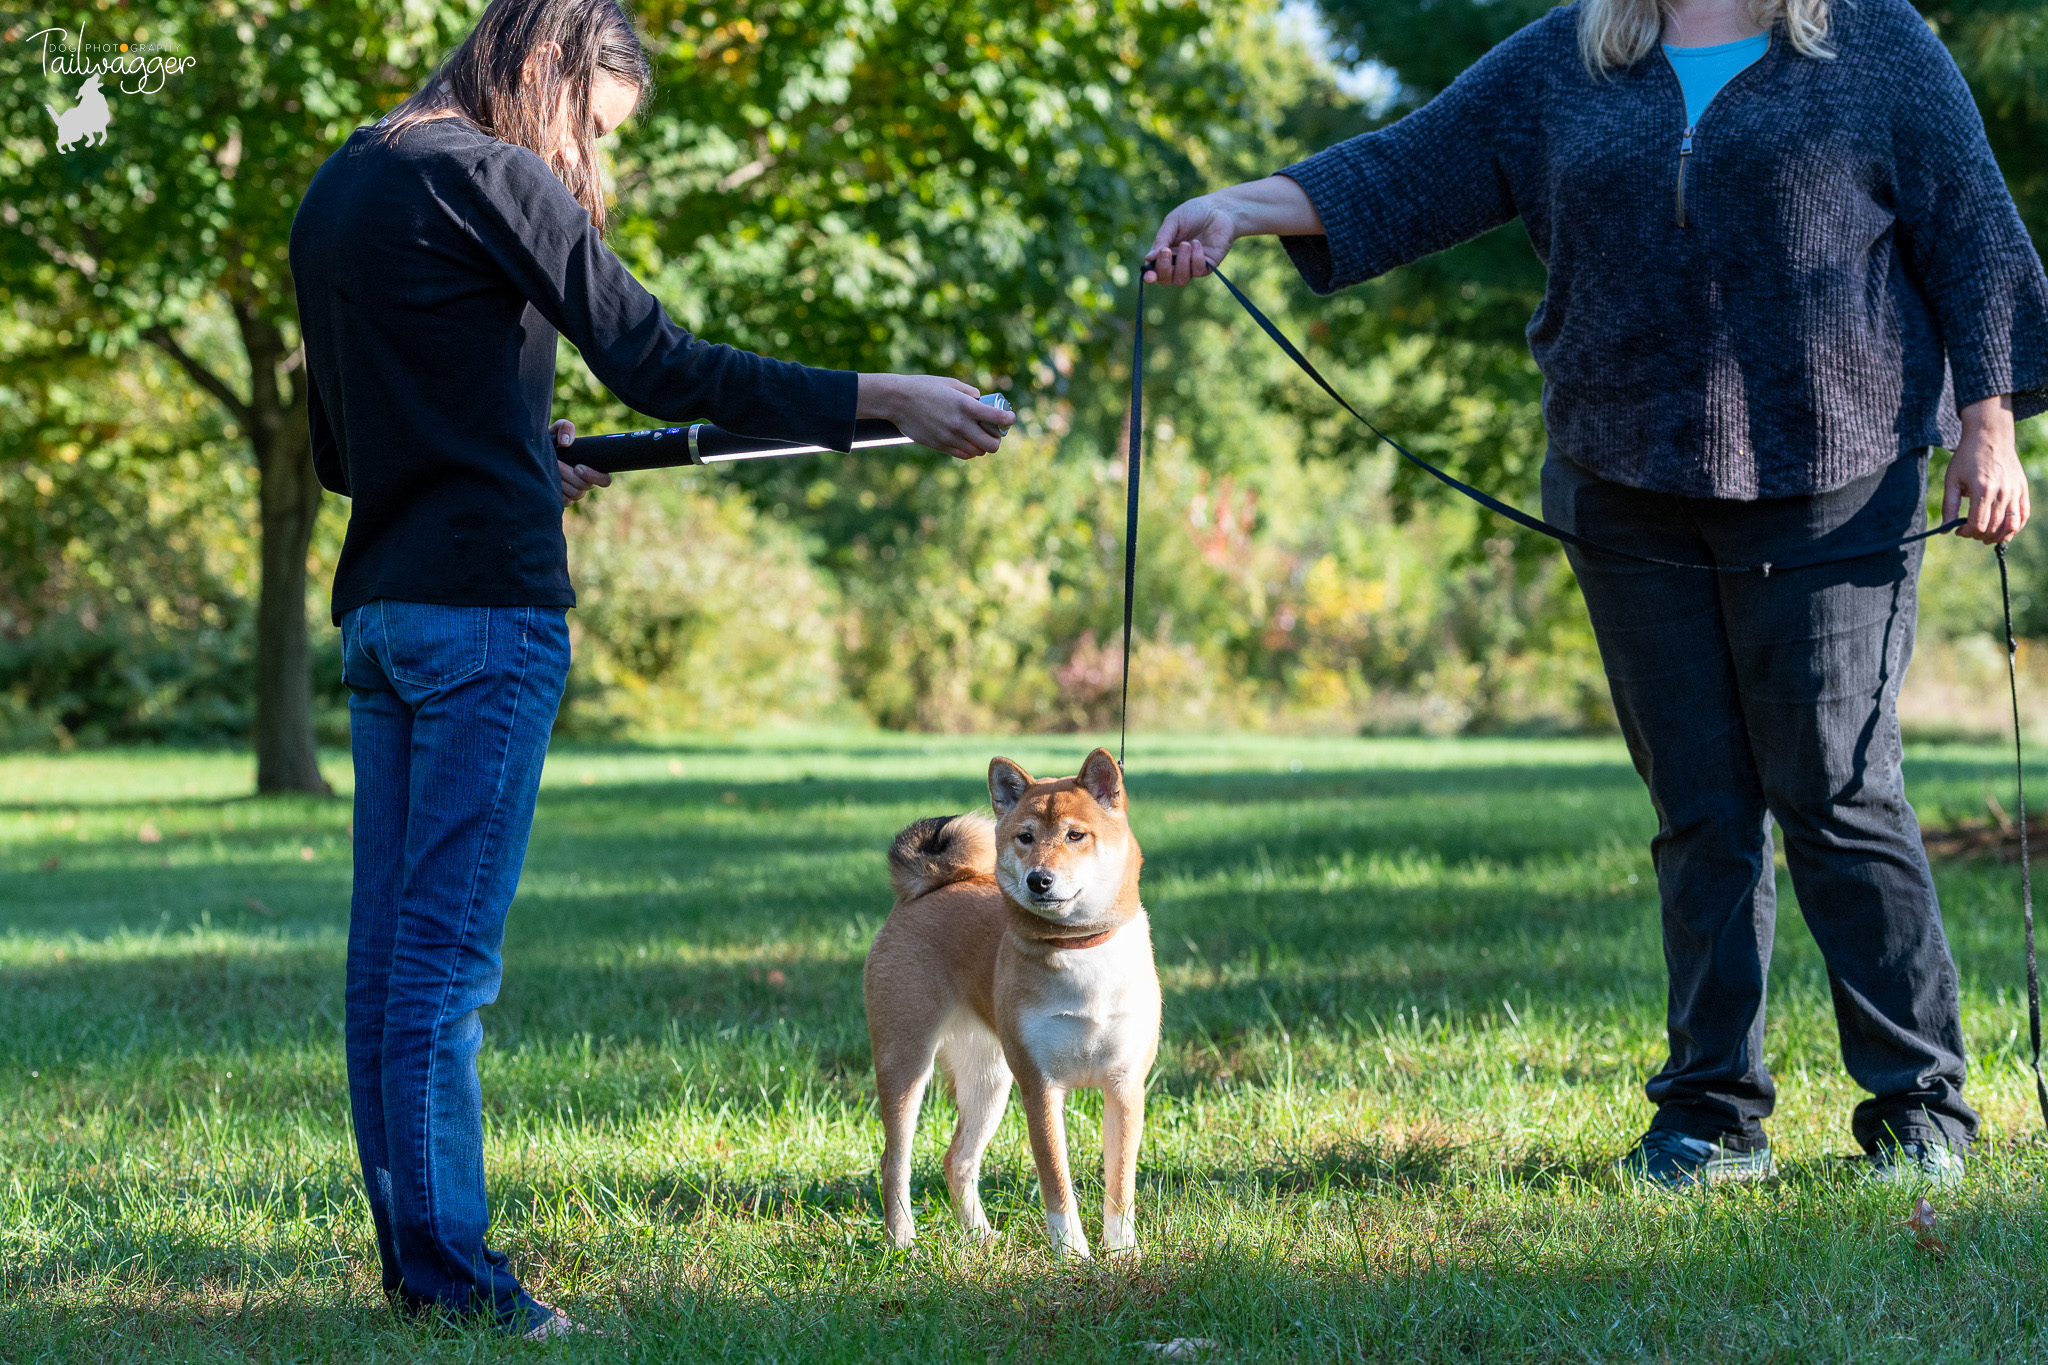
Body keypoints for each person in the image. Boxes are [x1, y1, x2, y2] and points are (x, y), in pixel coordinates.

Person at [1144, 0, 2047, 1189]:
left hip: (1835, 471)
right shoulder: (1569, 51)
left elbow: (1973, 235)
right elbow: (1407, 165)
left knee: (1834, 790)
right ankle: (1709, 1118)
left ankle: (1917, 1108)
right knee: (1699, 809)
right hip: (1623, 477)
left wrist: (1990, 430)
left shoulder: (1872, 40)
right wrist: (1233, 210)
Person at [289, 0, 1013, 1336]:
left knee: (389, 965)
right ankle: (456, 1282)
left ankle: (414, 1262)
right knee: (444, 971)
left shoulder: (345, 181)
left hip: (382, 612)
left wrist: (518, 449)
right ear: (558, 77)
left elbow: (346, 453)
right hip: (486, 618)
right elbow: (658, 360)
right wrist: (887, 397)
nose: (587, 165)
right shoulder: (491, 174)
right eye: (596, 130)